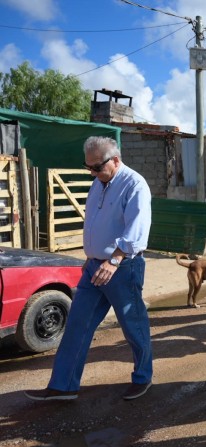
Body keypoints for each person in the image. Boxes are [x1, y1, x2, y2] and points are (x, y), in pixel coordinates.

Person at [25, 136, 153, 401]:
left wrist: (114, 260)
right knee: (77, 324)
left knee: (133, 325)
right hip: (95, 267)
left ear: (115, 160)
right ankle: (63, 386)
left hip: (122, 267)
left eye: (96, 167)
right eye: (88, 167)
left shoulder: (135, 184)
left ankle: (143, 376)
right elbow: (96, 222)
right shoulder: (98, 182)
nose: (92, 172)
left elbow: (136, 232)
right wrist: (92, 254)